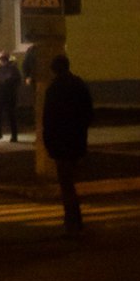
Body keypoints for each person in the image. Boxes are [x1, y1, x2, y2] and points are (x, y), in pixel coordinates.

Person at [41, 51, 94, 231]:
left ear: (54, 70)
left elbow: (48, 119)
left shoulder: (54, 89)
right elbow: (88, 112)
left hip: (61, 142)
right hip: (76, 140)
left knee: (66, 184)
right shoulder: (79, 85)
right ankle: (75, 218)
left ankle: (72, 219)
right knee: (70, 181)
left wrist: (48, 143)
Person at [0, 50, 22, 142]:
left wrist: (8, 82)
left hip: (10, 94)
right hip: (0, 94)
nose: (2, 61)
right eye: (1, 59)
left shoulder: (13, 69)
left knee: (11, 115)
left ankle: (14, 135)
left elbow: (17, 80)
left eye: (4, 59)